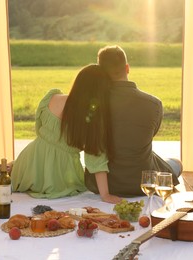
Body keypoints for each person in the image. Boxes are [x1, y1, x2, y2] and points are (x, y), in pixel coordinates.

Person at [11, 64, 121, 203]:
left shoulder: (52, 97)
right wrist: (105, 195)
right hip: (60, 175)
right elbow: (96, 158)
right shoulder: (92, 116)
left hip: (28, 164)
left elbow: (38, 128)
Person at [84, 45, 183, 197]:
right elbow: (148, 135)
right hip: (144, 181)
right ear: (127, 68)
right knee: (176, 163)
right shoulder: (154, 103)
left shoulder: (93, 105)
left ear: (101, 72)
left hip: (104, 185)